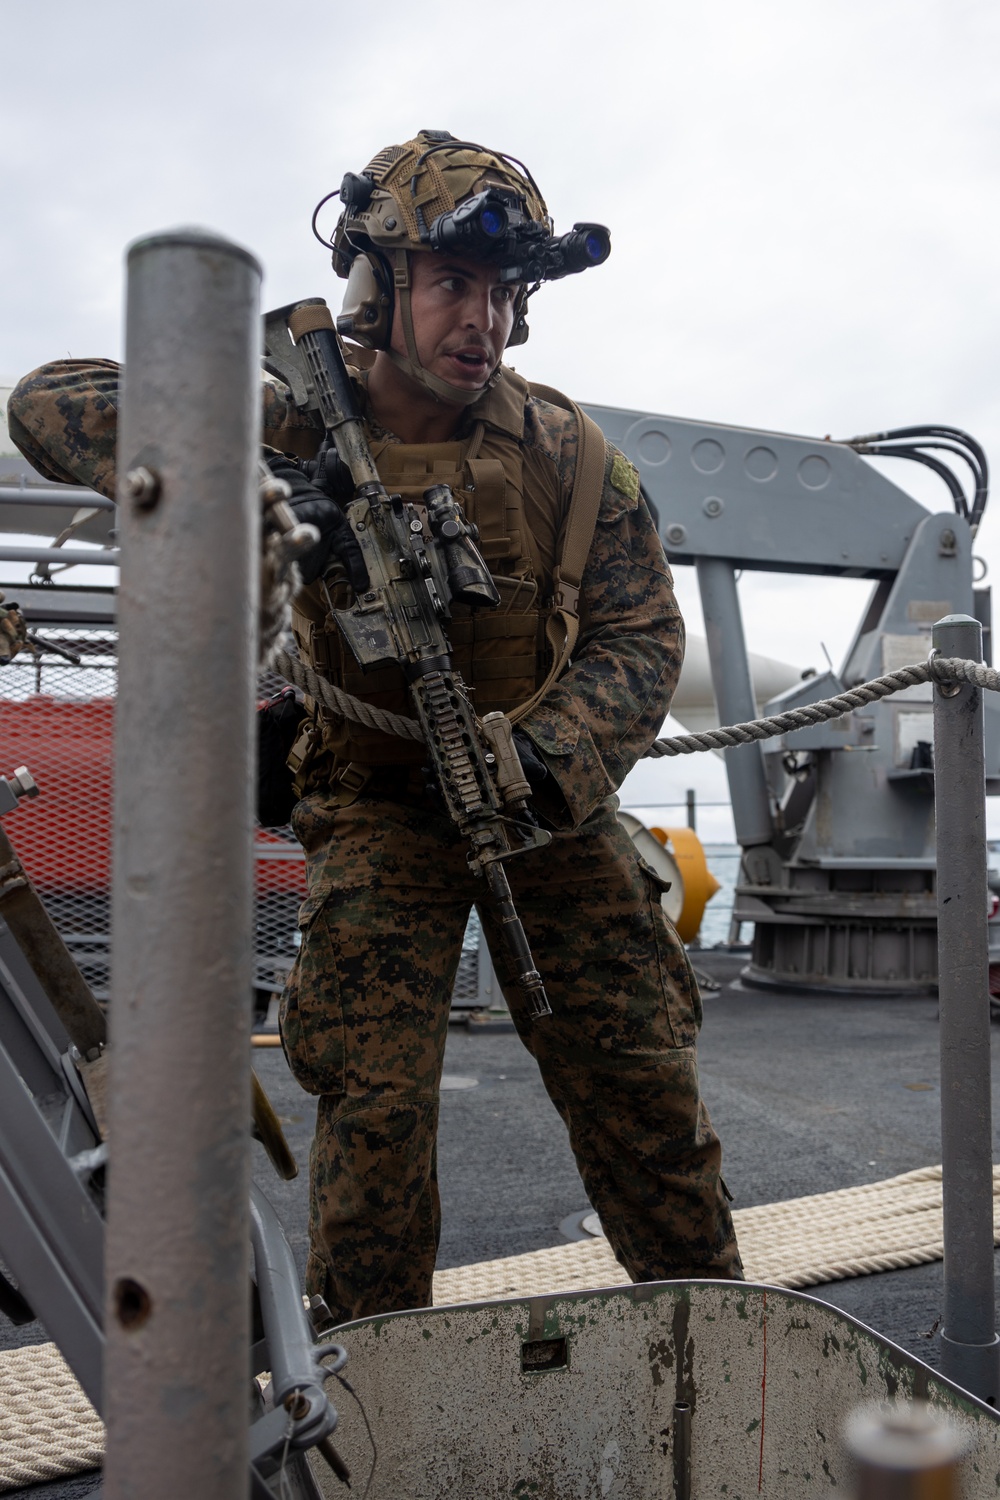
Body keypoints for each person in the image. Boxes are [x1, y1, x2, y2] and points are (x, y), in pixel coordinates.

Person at [8, 130, 743, 1324]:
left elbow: (639, 636)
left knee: (643, 1088)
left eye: (506, 295)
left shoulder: (567, 452)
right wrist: (229, 473)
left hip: (543, 812)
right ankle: (372, 1377)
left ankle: (719, 1343)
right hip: (377, 809)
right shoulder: (293, 416)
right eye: (455, 284)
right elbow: (49, 403)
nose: (484, 323)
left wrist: (539, 758)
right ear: (380, 284)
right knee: (377, 1109)